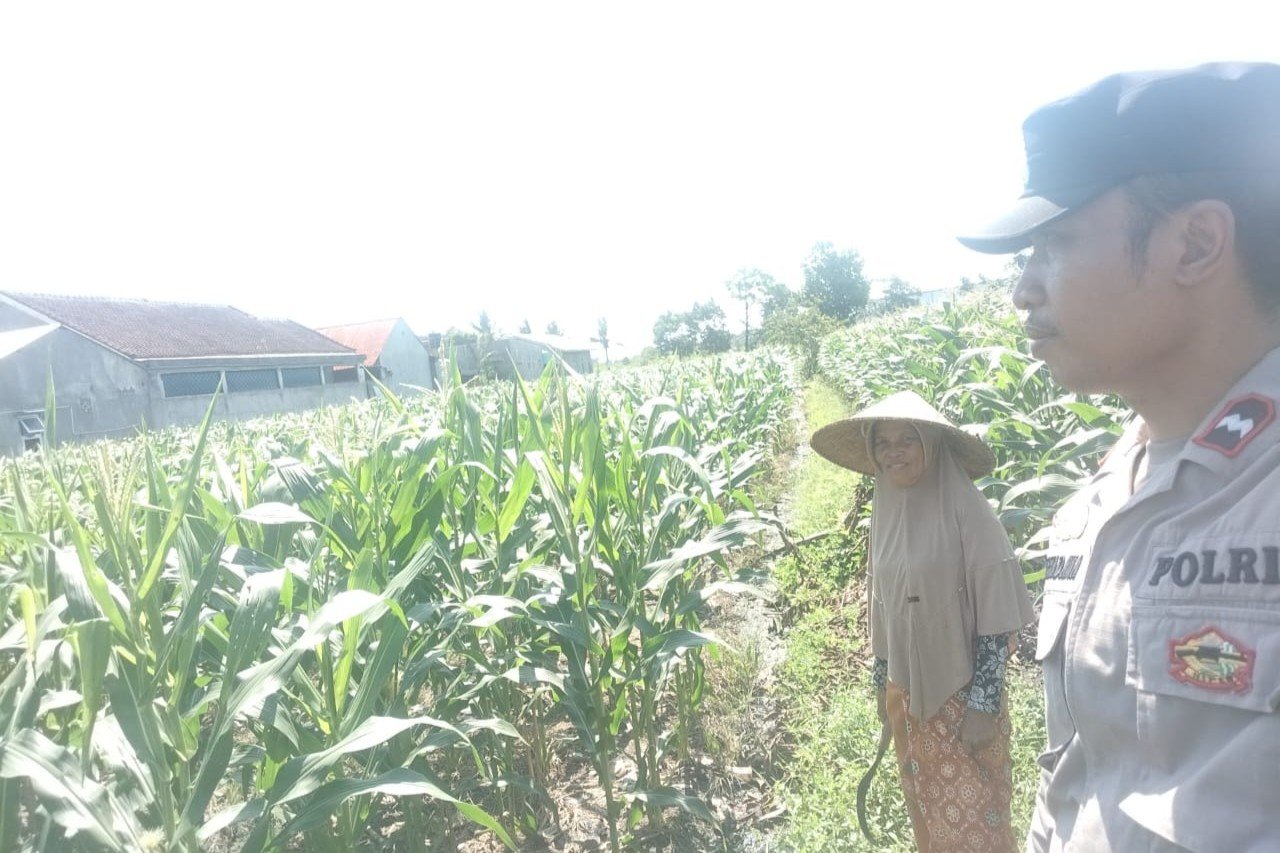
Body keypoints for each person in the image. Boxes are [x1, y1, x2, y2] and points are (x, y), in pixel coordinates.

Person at [958, 62, 1280, 853]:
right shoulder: (1099, 500)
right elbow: (1075, 775)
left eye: (1056, 242)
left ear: (1198, 243)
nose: (1022, 290)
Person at [811, 390, 1033, 852]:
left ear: (931, 445)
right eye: (883, 442)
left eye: (907, 439)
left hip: (963, 694)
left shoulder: (968, 510)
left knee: (977, 821)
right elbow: (881, 602)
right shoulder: (884, 510)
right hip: (907, 696)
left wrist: (983, 706)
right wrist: (882, 684)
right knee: (927, 809)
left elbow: (995, 616)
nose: (893, 451)